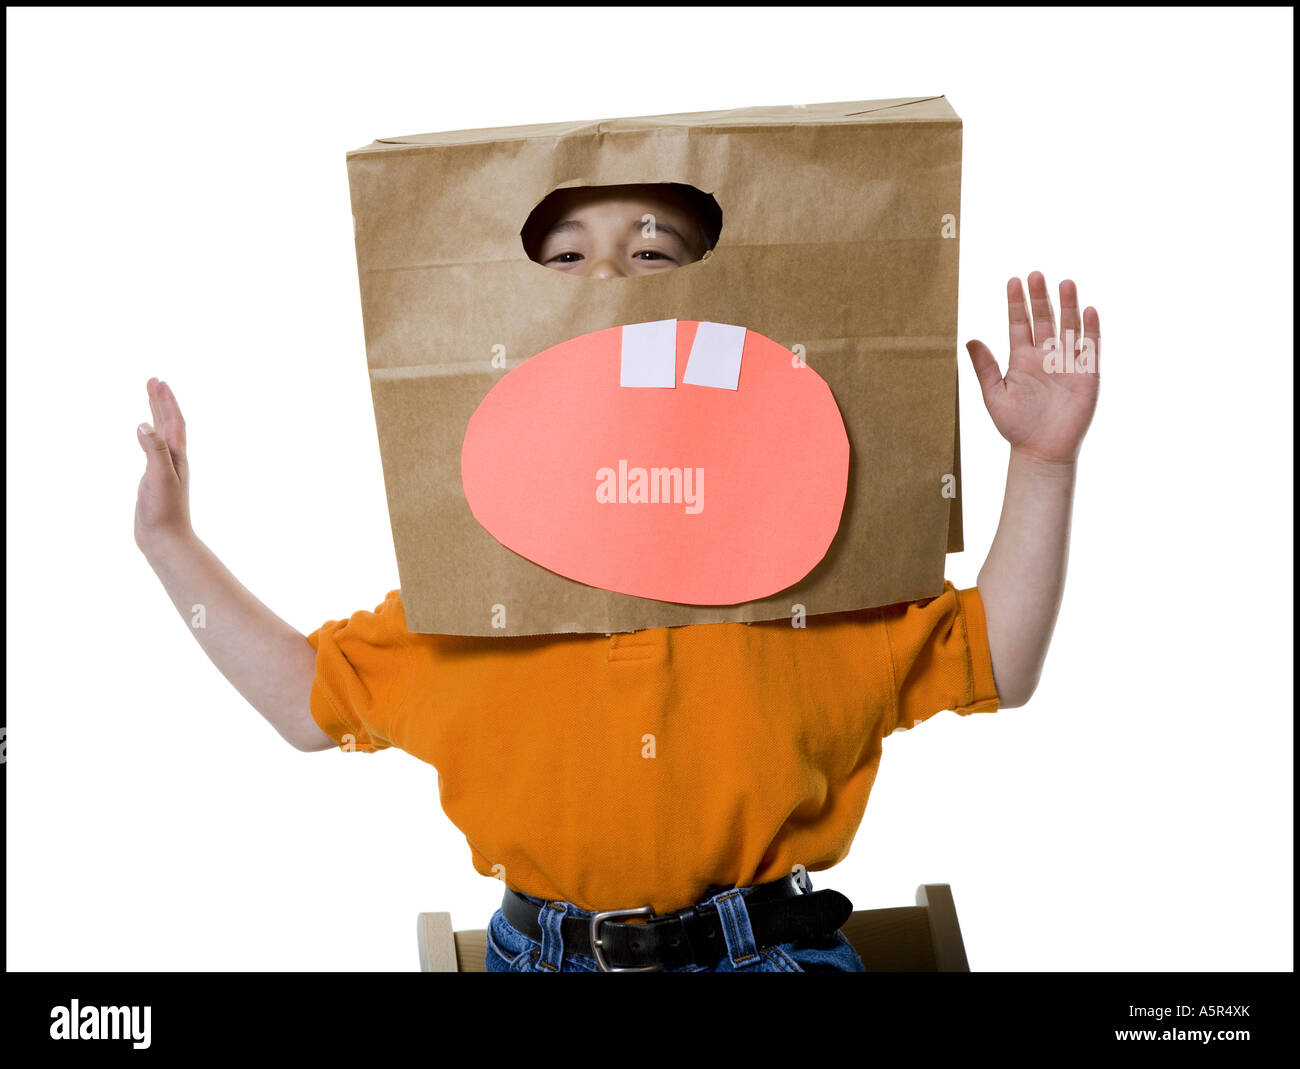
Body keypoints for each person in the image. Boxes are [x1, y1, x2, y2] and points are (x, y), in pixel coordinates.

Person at [134, 181, 1099, 972]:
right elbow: (308, 705)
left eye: (649, 252)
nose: (602, 273)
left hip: (770, 956)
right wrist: (172, 544)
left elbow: (995, 659)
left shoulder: (808, 584)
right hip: (542, 956)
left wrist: (1043, 464)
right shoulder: (472, 611)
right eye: (561, 255)